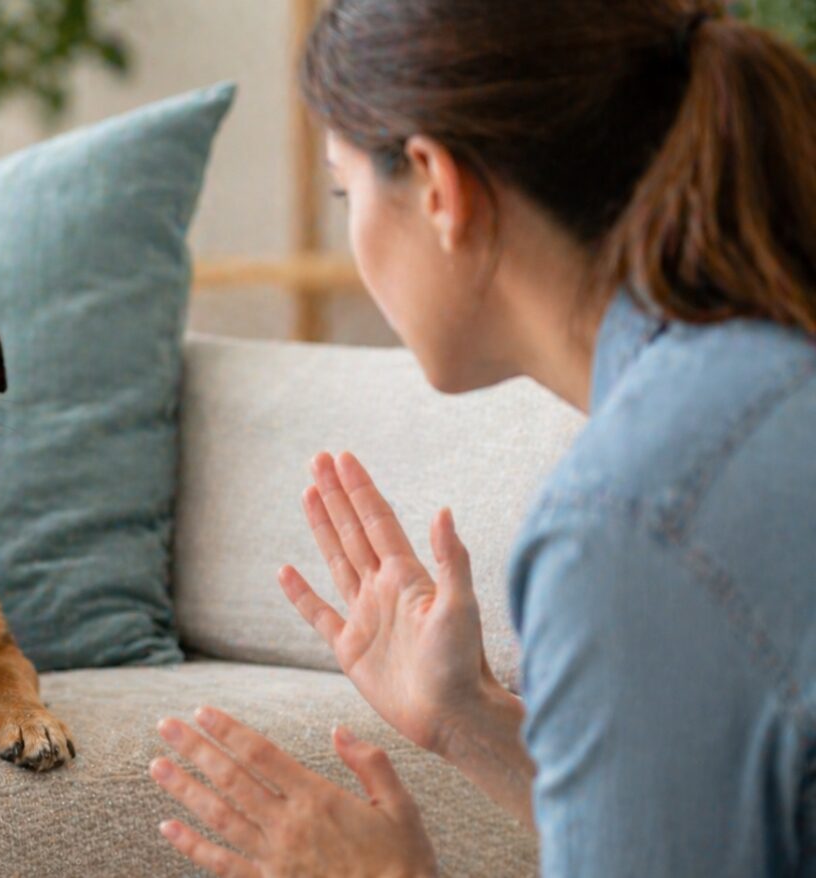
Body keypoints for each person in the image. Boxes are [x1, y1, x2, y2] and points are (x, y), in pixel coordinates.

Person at [148, 1, 816, 875]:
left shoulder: (626, 519)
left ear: (436, 186)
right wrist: (467, 719)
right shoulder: (756, 373)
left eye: (347, 191)